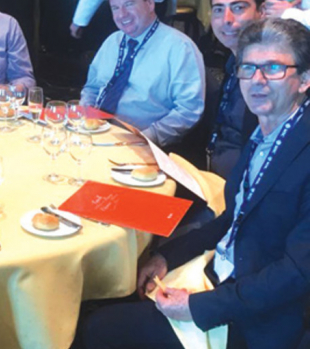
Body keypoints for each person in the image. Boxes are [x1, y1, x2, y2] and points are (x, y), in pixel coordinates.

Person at [79, 18, 310, 349]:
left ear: (304, 79)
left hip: (257, 317)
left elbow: (297, 273)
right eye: (248, 68)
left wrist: (198, 307)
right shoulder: (263, 131)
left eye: (273, 68)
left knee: (97, 328)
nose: (257, 80)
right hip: (219, 275)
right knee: (112, 289)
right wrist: (167, 257)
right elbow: (233, 219)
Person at [79, 0, 204, 147]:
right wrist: (88, 115)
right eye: (115, 7)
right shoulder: (113, 41)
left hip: (145, 144)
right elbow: (92, 87)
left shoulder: (179, 47)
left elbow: (188, 110)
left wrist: (145, 138)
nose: (122, 15)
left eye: (129, 4)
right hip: (98, 134)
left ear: (150, 2)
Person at [206, 0, 264, 178]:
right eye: (218, 10)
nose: (226, 20)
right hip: (211, 172)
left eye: (238, 8)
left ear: (261, 12)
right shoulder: (232, 61)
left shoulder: (268, 76)